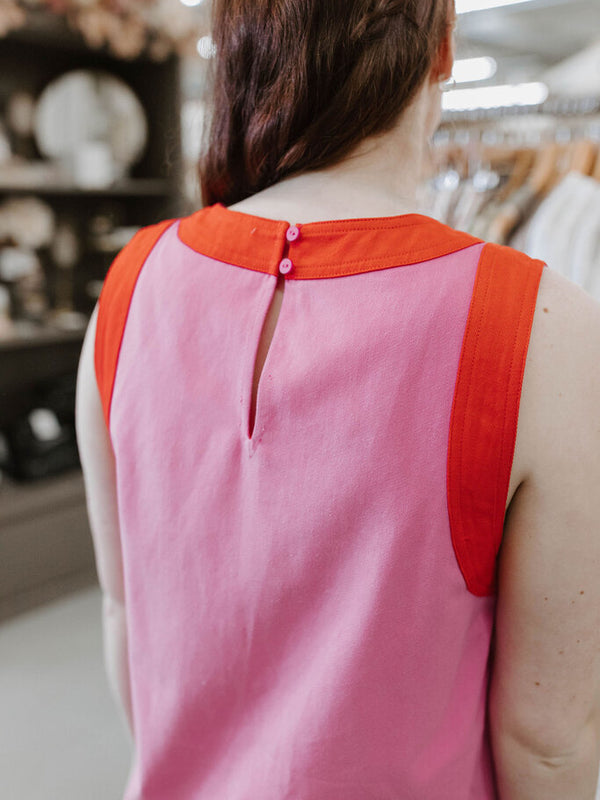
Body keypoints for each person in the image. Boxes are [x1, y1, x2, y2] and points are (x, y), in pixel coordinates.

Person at [75, 1, 600, 798]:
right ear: (443, 48)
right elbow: (548, 738)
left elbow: (127, 619)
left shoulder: (129, 287)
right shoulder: (542, 329)